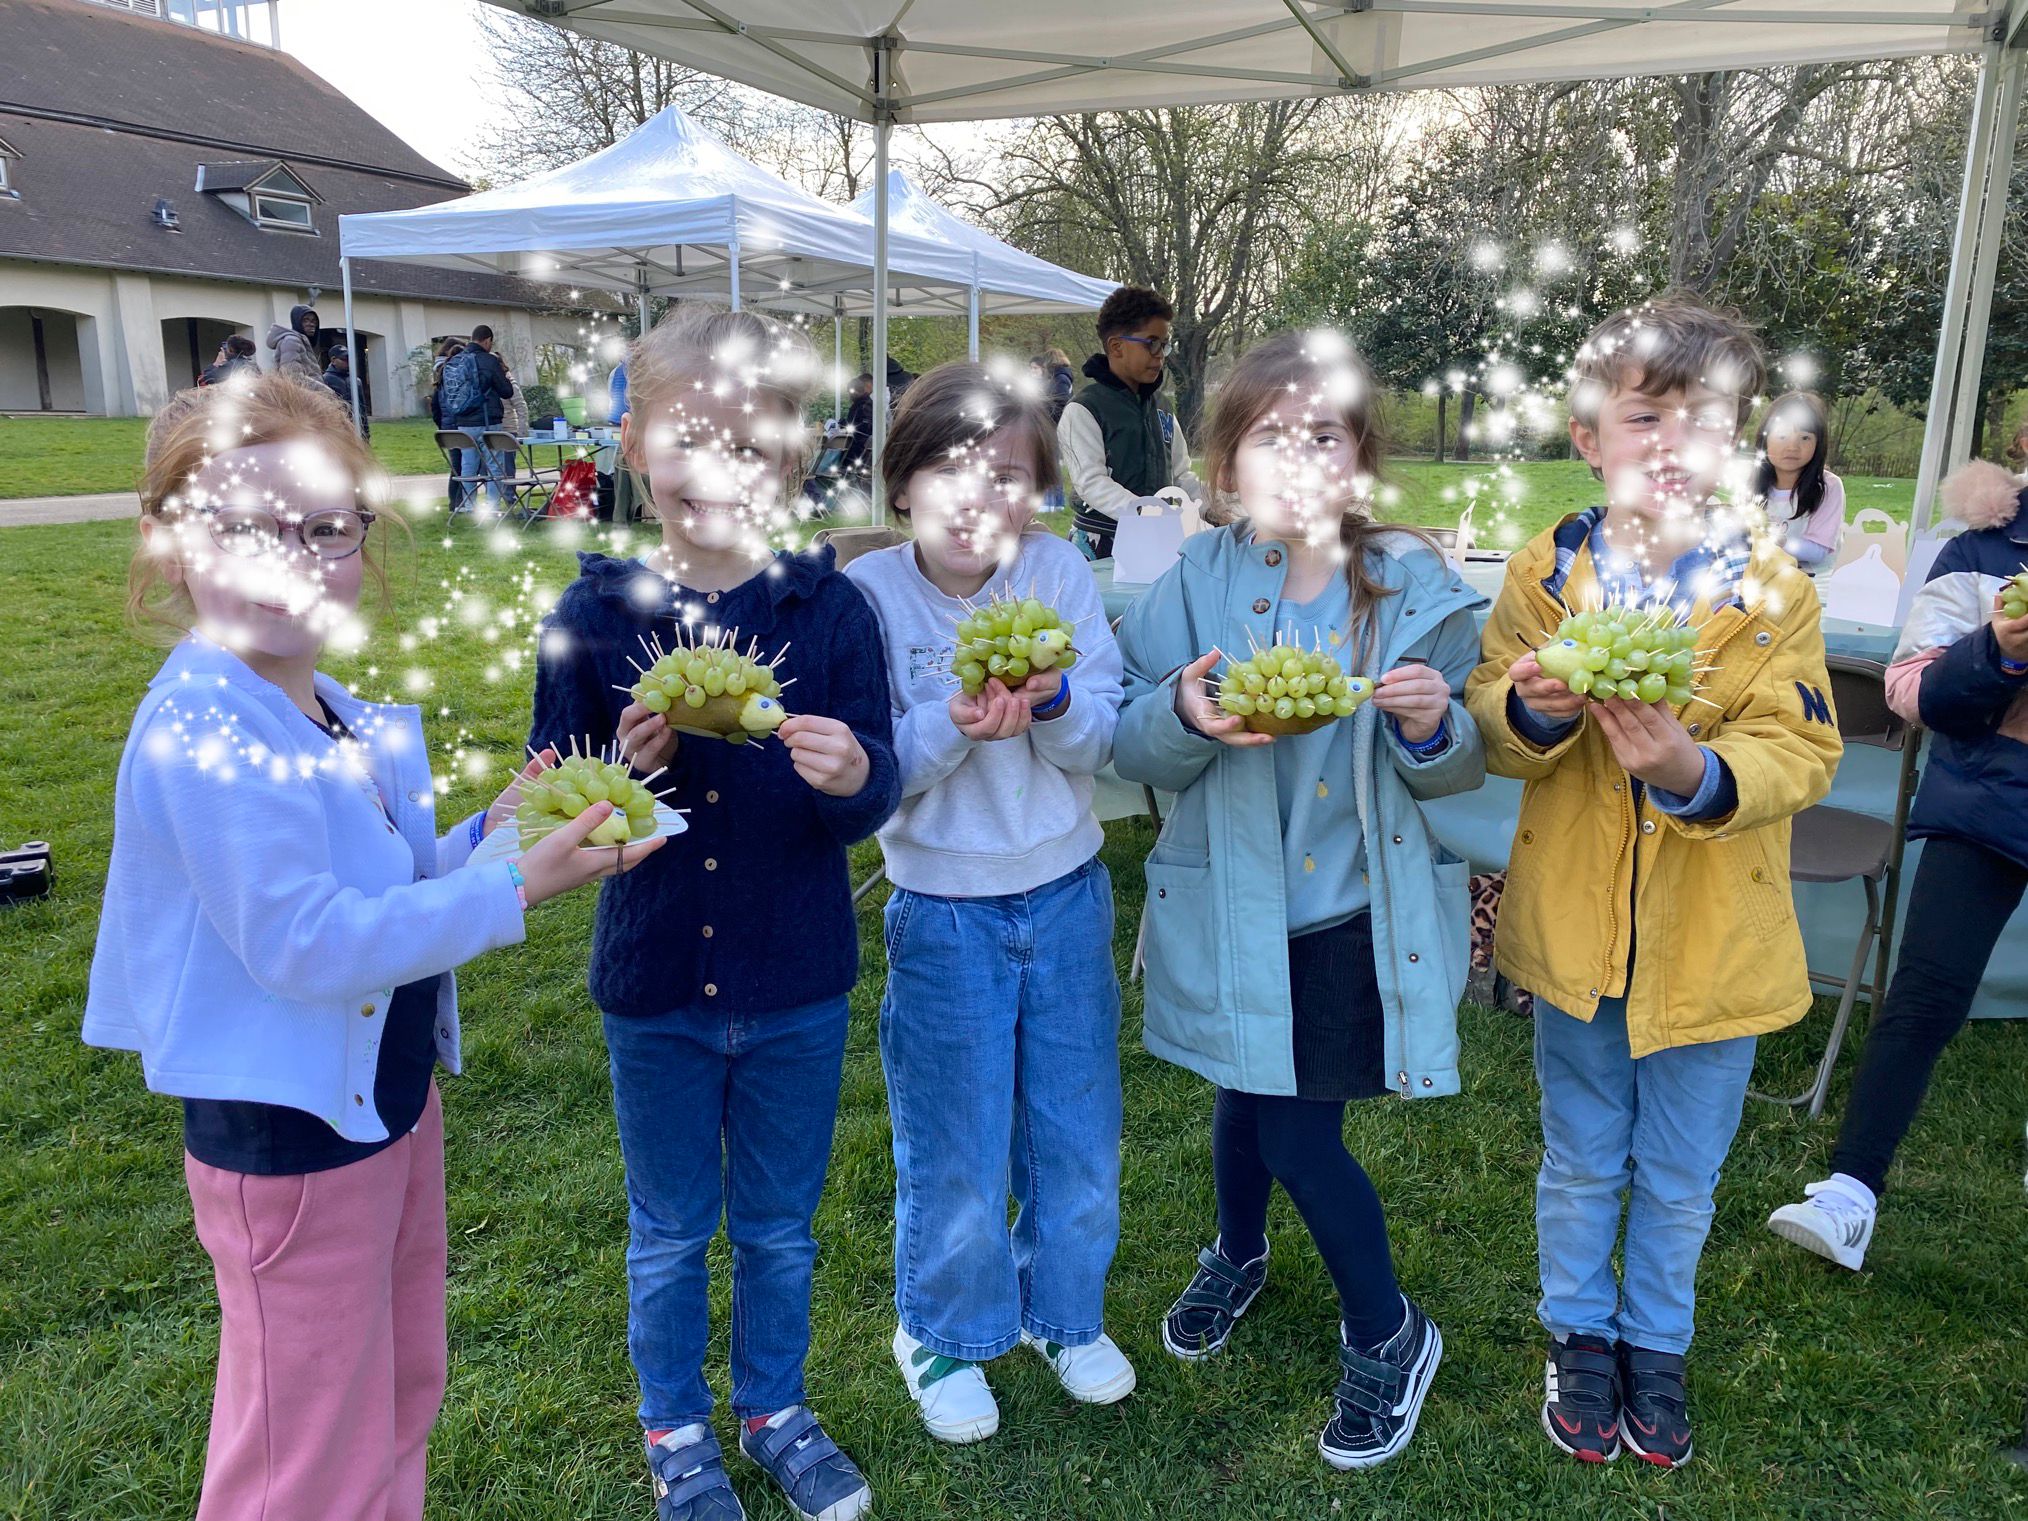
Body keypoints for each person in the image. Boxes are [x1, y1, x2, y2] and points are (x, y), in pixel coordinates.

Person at [82, 372, 658, 1521]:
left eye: (323, 528)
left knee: (396, 1391)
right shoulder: (205, 726)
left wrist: (487, 832)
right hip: (288, 1147)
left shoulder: (318, 701)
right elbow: (303, 942)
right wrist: (509, 886)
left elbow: (377, 887)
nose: (289, 558)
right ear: (168, 544)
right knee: (305, 1451)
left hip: (381, 1109)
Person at [528, 304, 899, 1521]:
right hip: (654, 991)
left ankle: (774, 1406)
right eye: (686, 434)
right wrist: (621, 784)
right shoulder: (594, 618)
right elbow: (554, 802)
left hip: (795, 978)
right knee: (673, 1231)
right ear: (636, 446)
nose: (715, 465)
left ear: (793, 458)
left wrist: (855, 779)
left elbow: (872, 791)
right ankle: (676, 1426)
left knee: (783, 1230)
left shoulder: (830, 612)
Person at [1465, 293, 1841, 1470]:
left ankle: (1655, 1342)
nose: (1673, 444)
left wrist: (1698, 770)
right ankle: (1580, 1333)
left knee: (1678, 1175)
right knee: (1582, 1154)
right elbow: (1491, 711)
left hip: (1715, 949)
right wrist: (1529, 706)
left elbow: (1807, 747)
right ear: (1590, 436)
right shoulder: (1549, 570)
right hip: (1581, 943)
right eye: (1644, 417)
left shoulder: (1774, 590)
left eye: (1706, 419)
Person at [1113, 328, 1486, 1472]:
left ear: (1361, 457)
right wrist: (1183, 714)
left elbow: (1460, 765)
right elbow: (1132, 740)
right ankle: (1239, 1247)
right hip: (1230, 901)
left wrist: (1430, 724)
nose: (1298, 454)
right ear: (1227, 468)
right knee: (1242, 1085)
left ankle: (1388, 1329)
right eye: (1270, 435)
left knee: (1293, 1125)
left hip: (1346, 912)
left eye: (1323, 433)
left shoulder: (1414, 587)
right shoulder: (1197, 582)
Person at [842, 363, 1130, 1445]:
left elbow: (1102, 735)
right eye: (952, 468)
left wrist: (1051, 704)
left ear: (1039, 492)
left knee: (1076, 1131)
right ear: (904, 482)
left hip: (1065, 893)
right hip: (944, 909)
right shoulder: (870, 598)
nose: (979, 496)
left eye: (1008, 475)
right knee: (956, 1141)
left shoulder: (1055, 574)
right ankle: (945, 1330)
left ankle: (1061, 1313)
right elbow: (870, 771)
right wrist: (954, 725)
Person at [1767, 454, 2028, 1269]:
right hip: (1992, 803)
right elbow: (1913, 690)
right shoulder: (1982, 550)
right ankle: (1849, 1193)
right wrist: (2001, 649)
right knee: (1923, 995)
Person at [1059, 286, 1201, 560]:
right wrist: (1146, 512)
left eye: (1164, 344)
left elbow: (1181, 474)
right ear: (1116, 346)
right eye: (1152, 343)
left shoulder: (1162, 408)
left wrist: (1212, 504)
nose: (1161, 354)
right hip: (1100, 543)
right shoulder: (1084, 409)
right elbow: (1091, 482)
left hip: (1158, 538)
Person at [1750, 391, 1843, 570]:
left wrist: (1773, 540)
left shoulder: (1828, 487)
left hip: (1811, 585)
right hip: (1762, 578)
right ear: (1765, 439)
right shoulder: (1753, 481)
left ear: (1818, 444)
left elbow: (1817, 552)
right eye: (1782, 436)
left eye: (1805, 438)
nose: (1792, 446)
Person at [436, 325, 514, 515]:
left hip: (463, 423)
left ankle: (469, 506)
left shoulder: (455, 361)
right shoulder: (489, 360)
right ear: (487, 340)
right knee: (495, 466)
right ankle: (492, 507)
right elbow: (506, 391)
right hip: (488, 421)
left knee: (468, 466)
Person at [430, 339, 467, 511]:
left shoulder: (440, 376)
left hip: (447, 425)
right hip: (459, 424)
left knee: (456, 466)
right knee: (463, 465)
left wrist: (442, 424)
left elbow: (435, 406)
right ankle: (461, 502)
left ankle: (455, 502)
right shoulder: (458, 376)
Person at [320, 344, 371, 438]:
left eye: (349, 359)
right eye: (344, 359)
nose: (348, 362)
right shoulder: (324, 380)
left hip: (356, 428)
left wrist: (366, 432)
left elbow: (362, 408)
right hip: (335, 429)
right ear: (333, 360)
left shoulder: (356, 381)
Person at [266, 303, 321, 382]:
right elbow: (293, 377)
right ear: (297, 322)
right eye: (305, 320)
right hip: (299, 393)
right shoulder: (291, 341)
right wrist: (327, 391)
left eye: (314, 321)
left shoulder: (302, 341)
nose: (311, 324)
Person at [838, 372, 875, 481]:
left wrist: (845, 425)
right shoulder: (865, 404)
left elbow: (860, 430)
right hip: (862, 452)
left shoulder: (862, 406)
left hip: (856, 452)